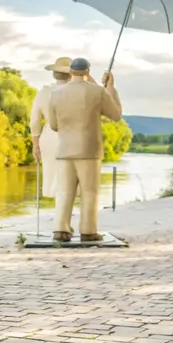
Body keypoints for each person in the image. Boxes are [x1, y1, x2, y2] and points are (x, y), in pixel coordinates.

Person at [45, 58, 122, 242]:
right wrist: (110, 87)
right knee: (89, 191)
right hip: (89, 150)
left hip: (64, 150)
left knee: (64, 191)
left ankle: (60, 230)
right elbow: (116, 115)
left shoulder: (55, 94)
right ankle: (88, 231)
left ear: (70, 71)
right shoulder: (98, 91)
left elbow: (54, 125)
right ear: (88, 72)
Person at [30, 57, 73, 222]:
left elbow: (34, 121)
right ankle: (63, 219)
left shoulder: (44, 93)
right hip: (71, 136)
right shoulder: (76, 92)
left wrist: (36, 146)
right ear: (70, 75)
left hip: (48, 137)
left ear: (54, 74)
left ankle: (59, 216)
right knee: (69, 176)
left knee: (53, 175)